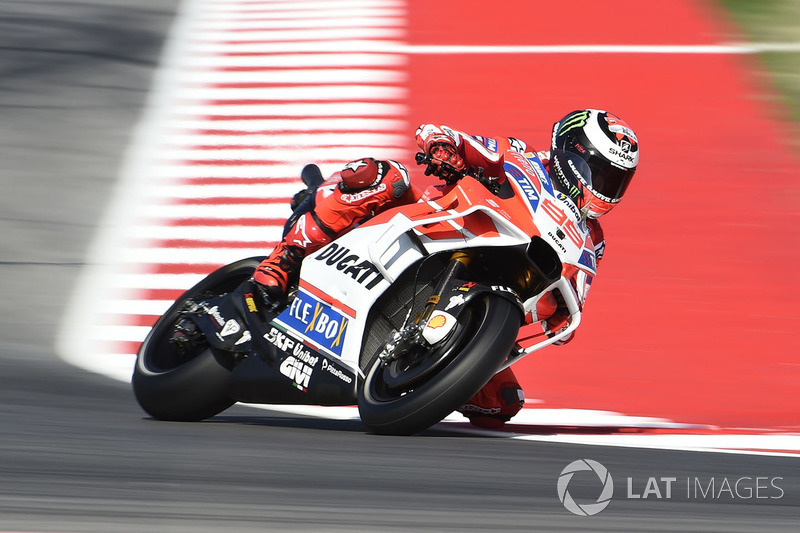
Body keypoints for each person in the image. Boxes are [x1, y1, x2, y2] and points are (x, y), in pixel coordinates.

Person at [252, 109, 639, 428]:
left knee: (502, 404)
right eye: (600, 173)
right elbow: (441, 134)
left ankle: (426, 368)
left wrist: (549, 325)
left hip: (494, 289)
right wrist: (444, 150)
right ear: (570, 152)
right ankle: (285, 258)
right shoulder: (521, 157)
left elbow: (570, 307)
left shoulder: (594, 239)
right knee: (386, 176)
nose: (605, 187)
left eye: (615, 180)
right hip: (431, 230)